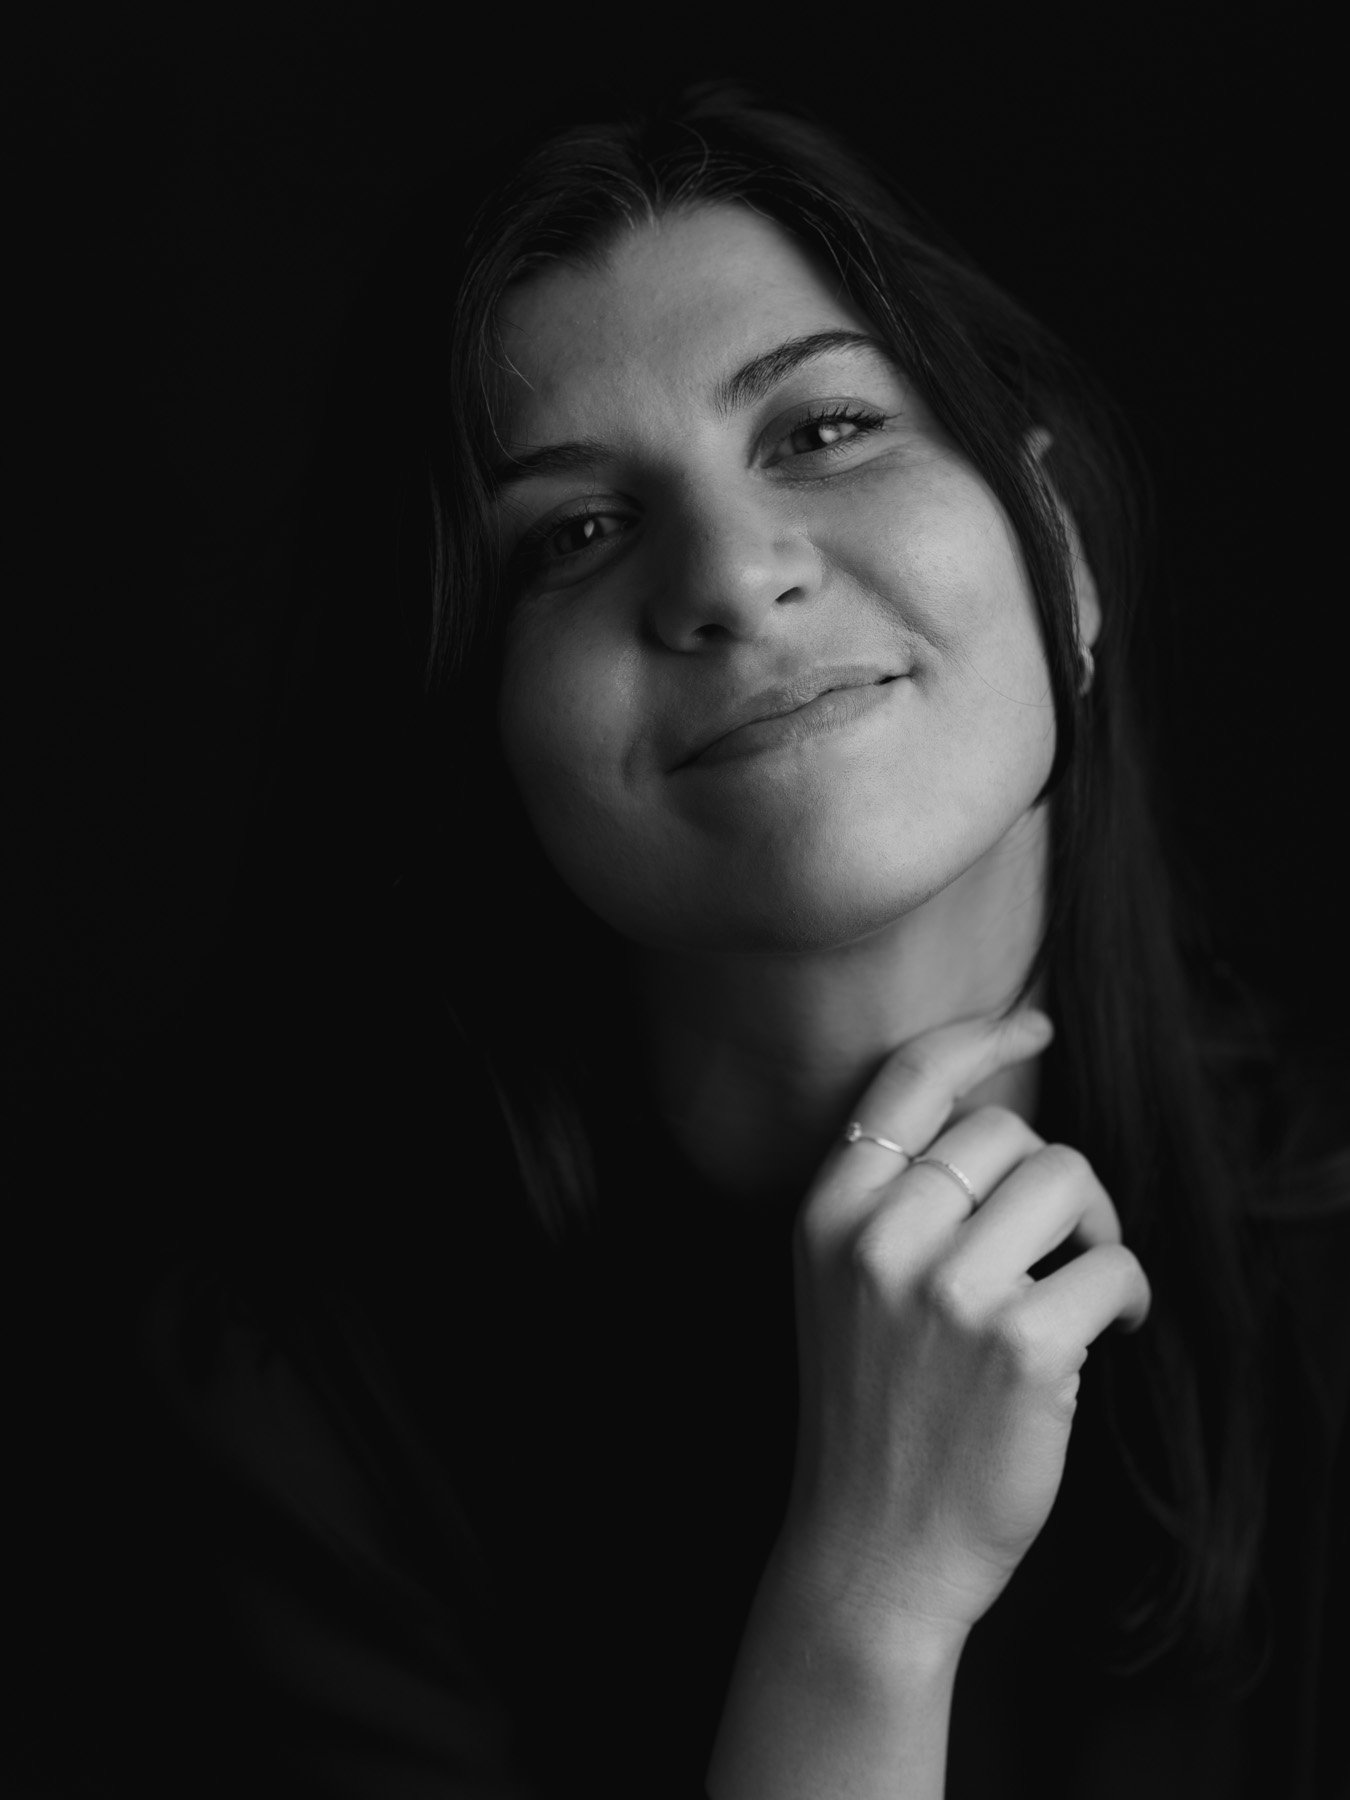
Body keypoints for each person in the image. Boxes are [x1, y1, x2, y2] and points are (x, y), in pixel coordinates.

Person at [65, 81, 1346, 1800]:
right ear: (480, 740)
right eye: (575, 533)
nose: (732, 577)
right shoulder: (262, 1392)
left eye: (820, 430)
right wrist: (865, 1607)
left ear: (1060, 550)